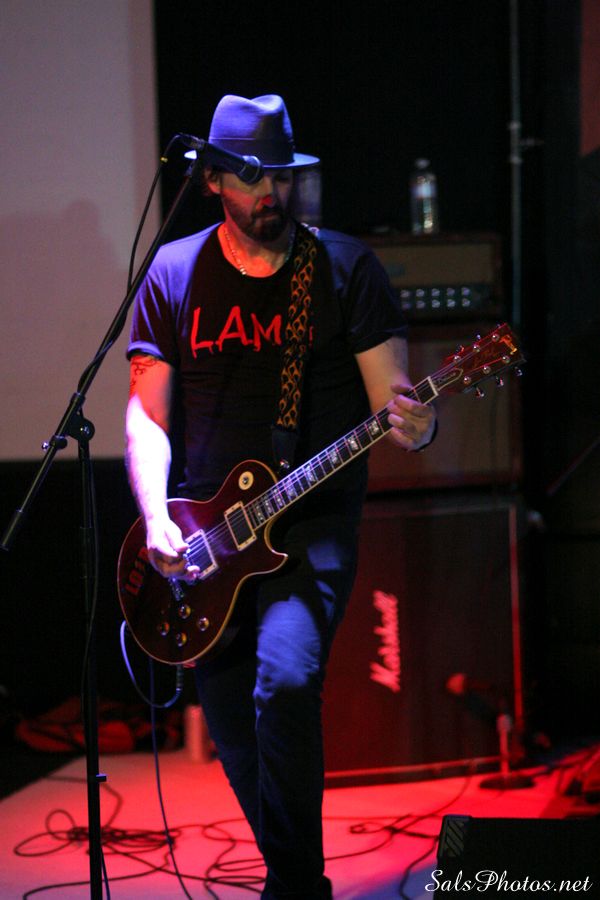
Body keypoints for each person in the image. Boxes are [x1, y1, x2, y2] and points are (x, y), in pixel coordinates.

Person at [125, 93, 437, 899]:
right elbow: (146, 415)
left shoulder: (342, 267)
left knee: (286, 682)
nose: (271, 193)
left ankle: (296, 889)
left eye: (282, 177)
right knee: (231, 716)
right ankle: (295, 880)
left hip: (310, 525)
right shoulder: (173, 271)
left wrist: (419, 421)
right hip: (205, 535)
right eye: (251, 177)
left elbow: (397, 404)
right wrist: (156, 516)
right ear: (213, 181)